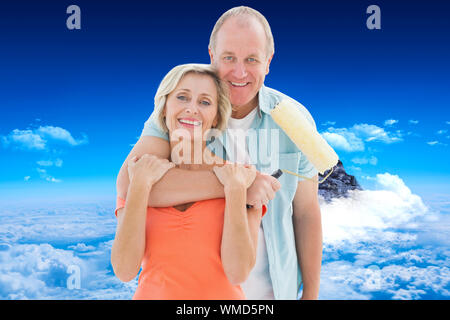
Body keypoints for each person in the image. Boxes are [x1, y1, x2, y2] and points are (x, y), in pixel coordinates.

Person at [116, 6, 322, 300]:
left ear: (268, 62)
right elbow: (130, 183)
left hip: (277, 291)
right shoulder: (184, 114)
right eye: (229, 58)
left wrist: (311, 293)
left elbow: (305, 213)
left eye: (252, 59)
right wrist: (240, 183)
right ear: (212, 56)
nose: (239, 72)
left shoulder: (296, 119)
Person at [111, 64, 265, 299]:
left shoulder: (241, 178)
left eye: (205, 102)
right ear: (164, 109)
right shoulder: (140, 175)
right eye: (182, 97)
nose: (192, 109)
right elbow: (124, 270)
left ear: (216, 118)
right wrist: (141, 186)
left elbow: (238, 273)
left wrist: (234, 190)